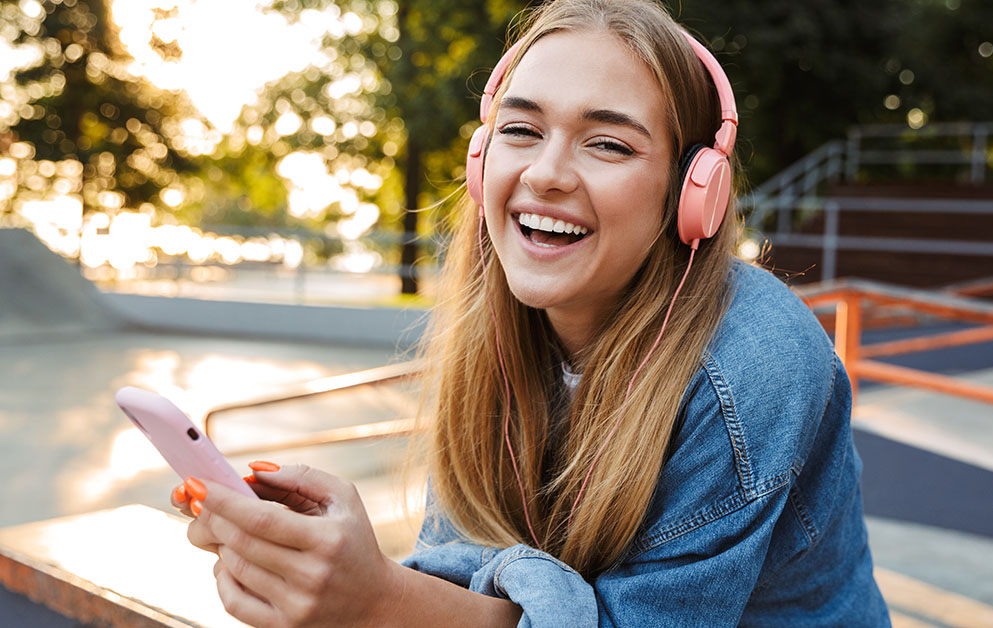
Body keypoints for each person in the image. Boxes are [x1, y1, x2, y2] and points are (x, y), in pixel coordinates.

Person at [171, 0, 890, 625]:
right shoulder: (501, 332)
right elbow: (459, 576)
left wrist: (379, 602)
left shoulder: (755, 363)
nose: (545, 173)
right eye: (521, 130)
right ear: (482, 160)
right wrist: (333, 571)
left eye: (607, 143)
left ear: (691, 192)